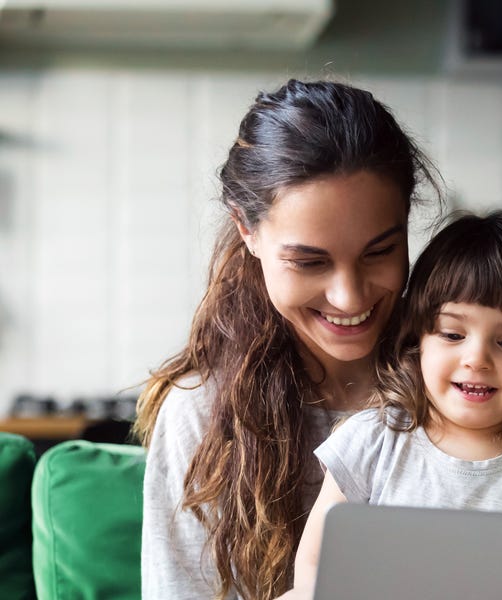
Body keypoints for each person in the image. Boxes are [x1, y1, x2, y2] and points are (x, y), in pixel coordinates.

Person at [133, 79, 441, 600]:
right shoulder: (200, 412)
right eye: (309, 261)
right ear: (246, 229)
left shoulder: (465, 383)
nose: (349, 297)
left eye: (379, 252)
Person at [290, 211, 502, 595]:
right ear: (418, 339)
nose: (477, 359)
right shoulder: (373, 441)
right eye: (452, 334)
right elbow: (315, 564)